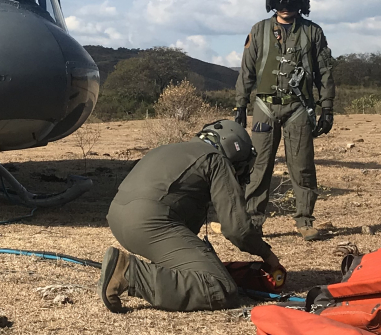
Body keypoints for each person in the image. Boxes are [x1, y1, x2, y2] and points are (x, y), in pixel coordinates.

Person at [100, 119, 282, 312]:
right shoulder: (216, 159)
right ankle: (129, 273)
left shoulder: (169, 149)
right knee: (221, 288)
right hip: (149, 222)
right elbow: (238, 229)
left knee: (194, 269)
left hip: (118, 218)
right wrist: (266, 254)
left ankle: (140, 271)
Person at [234, 0, 336, 240]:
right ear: (272, 3)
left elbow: (325, 73)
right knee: (259, 167)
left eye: (291, 4)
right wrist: (240, 105)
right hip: (264, 108)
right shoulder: (258, 30)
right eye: (281, 4)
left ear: (302, 3)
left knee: (302, 166)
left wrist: (327, 107)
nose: (285, 8)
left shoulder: (313, 32)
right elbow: (246, 71)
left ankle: (304, 220)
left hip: (299, 109)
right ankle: (254, 222)